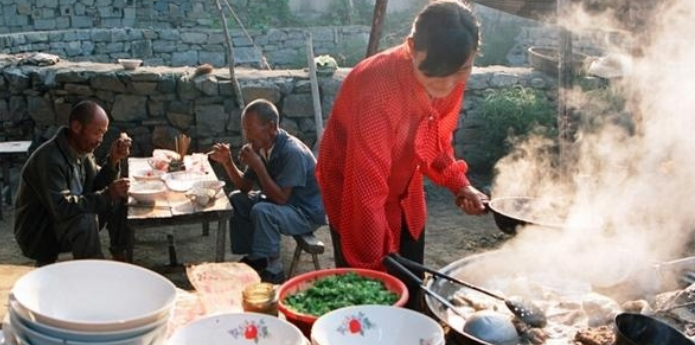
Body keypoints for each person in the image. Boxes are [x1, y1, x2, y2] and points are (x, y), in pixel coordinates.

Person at [315, 0, 489, 309]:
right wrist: (374, 267)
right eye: (436, 76)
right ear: (411, 47)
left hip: (404, 187)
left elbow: (434, 139)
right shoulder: (377, 90)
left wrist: (459, 183)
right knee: (371, 293)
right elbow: (366, 189)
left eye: (462, 71)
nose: (448, 87)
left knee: (410, 285)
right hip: (353, 190)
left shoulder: (449, 70)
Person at [209, 99, 327, 284]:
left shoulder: (291, 152)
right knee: (237, 199)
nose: (247, 135)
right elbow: (245, 187)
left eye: (250, 129)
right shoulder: (261, 147)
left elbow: (281, 199)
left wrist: (257, 165)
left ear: (271, 127)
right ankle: (257, 258)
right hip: (284, 204)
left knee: (262, 211)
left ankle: (274, 268)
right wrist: (228, 162)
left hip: (304, 212)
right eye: (245, 129)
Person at [14, 100, 132, 267]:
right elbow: (62, 208)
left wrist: (113, 161)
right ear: (76, 127)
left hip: (66, 222)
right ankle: (93, 273)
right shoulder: (49, 158)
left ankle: (120, 256)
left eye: (103, 134)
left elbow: (96, 186)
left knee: (120, 197)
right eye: (97, 132)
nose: (100, 140)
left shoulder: (82, 149)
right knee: (86, 218)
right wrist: (107, 194)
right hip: (41, 233)